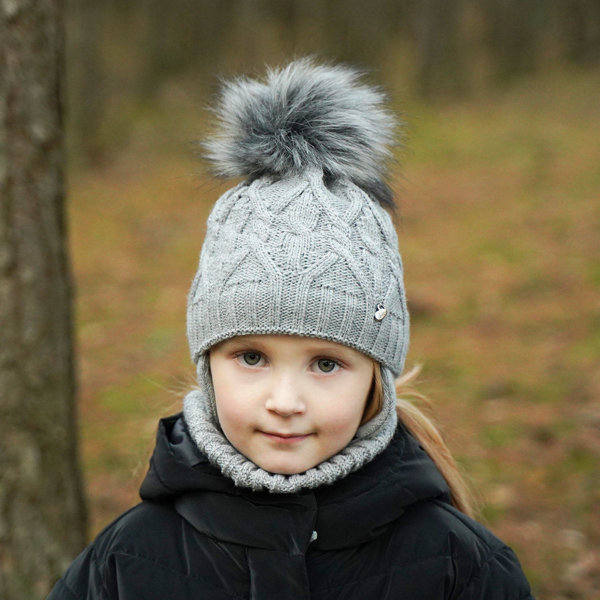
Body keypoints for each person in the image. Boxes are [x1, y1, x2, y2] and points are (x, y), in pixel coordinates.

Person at [48, 58, 535, 600]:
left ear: (376, 376)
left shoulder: (458, 564)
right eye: (251, 357)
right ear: (206, 365)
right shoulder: (126, 561)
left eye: (326, 363)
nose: (285, 401)